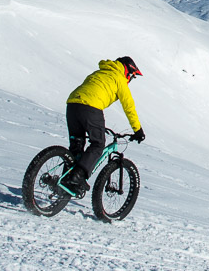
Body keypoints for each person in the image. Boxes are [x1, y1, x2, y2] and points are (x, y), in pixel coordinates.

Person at [59, 56, 145, 195]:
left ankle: (64, 182)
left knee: (77, 145)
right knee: (98, 144)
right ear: (128, 71)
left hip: (73, 105)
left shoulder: (100, 72)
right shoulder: (119, 78)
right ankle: (77, 177)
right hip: (91, 107)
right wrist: (138, 130)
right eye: (132, 77)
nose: (130, 80)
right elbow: (129, 106)